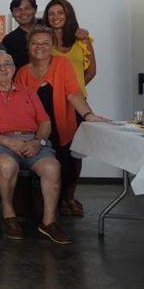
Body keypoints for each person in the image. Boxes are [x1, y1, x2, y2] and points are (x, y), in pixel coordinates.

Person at [0, 50, 70, 244]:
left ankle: (49, 222)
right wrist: (8, 142)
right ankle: (9, 216)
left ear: (14, 69)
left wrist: (37, 141)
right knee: (7, 165)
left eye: (7, 64)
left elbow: (45, 123)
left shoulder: (28, 91)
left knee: (52, 167)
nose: (2, 68)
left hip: (32, 141)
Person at [15, 27, 108, 218]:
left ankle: (61, 205)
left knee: (66, 169)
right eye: (35, 43)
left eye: (45, 43)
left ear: (52, 46)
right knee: (39, 169)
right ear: (28, 47)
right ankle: (43, 210)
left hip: (62, 124)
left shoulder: (62, 64)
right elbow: (18, 105)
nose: (40, 47)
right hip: (35, 130)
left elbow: (73, 92)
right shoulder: (23, 72)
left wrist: (88, 114)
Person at [44, 0, 96, 98]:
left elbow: (91, 72)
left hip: (78, 100)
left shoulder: (83, 40)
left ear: (68, 15)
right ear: (47, 18)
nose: (56, 17)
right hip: (52, 99)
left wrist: (74, 90)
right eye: (51, 14)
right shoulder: (43, 43)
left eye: (60, 12)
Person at [2, 0, 39, 69]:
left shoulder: (49, 29)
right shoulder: (9, 40)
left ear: (35, 9)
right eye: (17, 10)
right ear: (12, 14)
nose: (23, 13)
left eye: (27, 8)